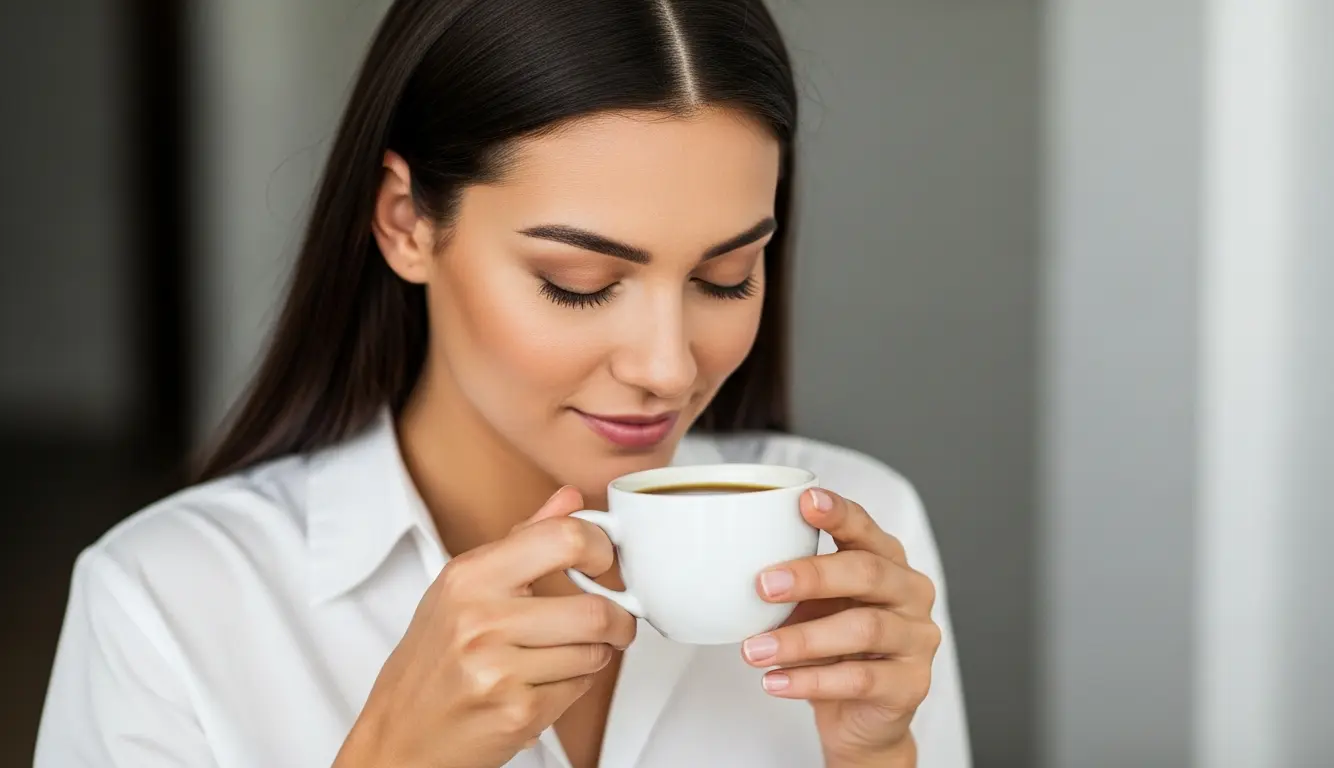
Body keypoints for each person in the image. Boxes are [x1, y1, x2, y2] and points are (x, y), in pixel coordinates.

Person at [34, 1, 970, 766]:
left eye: (725, 278)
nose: (668, 367)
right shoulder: (168, 601)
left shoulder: (854, 543)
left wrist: (878, 757)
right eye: (579, 284)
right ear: (406, 222)